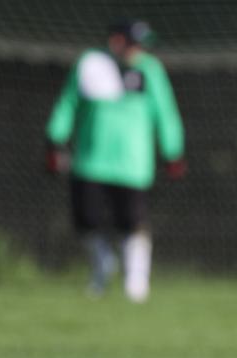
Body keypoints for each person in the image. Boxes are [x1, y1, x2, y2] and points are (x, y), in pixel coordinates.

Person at [45, 19, 185, 302]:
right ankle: (102, 267)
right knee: (86, 220)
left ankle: (136, 282)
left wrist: (174, 151)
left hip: (133, 165)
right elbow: (68, 103)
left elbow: (166, 112)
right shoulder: (90, 64)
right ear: (116, 41)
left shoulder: (151, 71)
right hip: (90, 161)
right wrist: (54, 138)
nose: (139, 50)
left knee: (132, 223)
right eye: (134, 43)